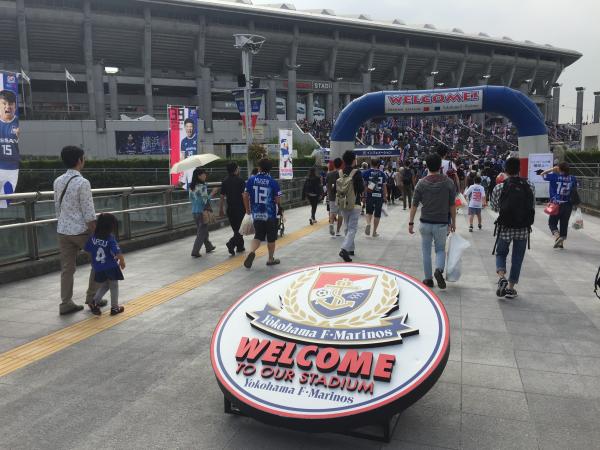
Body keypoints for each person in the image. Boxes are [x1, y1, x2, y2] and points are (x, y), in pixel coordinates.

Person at [54, 145, 106, 315]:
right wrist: (97, 233)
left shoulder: (58, 181)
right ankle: (92, 298)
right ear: (79, 160)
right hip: (81, 231)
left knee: (67, 268)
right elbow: (89, 213)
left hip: (63, 230)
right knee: (99, 260)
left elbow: (57, 208)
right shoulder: (83, 183)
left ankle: (65, 303)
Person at [408, 153, 457, 289]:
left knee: (426, 251)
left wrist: (411, 222)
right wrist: (453, 222)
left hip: (425, 222)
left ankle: (428, 279)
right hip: (441, 223)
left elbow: (414, 205)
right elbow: (452, 205)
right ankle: (439, 270)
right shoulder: (448, 182)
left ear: (426, 166)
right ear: (440, 166)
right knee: (440, 249)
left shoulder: (421, 183)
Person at [490, 157, 535, 299]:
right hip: (522, 228)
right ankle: (510, 288)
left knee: (501, 253)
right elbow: (532, 206)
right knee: (517, 258)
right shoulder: (529, 185)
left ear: (505, 170)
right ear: (519, 169)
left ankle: (501, 276)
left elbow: (495, 207)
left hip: (505, 227)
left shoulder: (500, 187)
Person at [84, 213, 125, 316]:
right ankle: (115, 308)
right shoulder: (110, 238)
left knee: (105, 285)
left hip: (98, 267)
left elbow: (87, 249)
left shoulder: (93, 237)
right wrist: (122, 261)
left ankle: (94, 302)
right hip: (110, 266)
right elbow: (117, 252)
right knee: (114, 286)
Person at [243, 158, 282, 268]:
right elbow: (277, 199)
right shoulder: (273, 182)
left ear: (259, 168)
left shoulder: (251, 180)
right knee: (271, 237)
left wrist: (248, 210)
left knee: (258, 235)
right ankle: (270, 259)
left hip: (256, 214)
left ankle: (252, 252)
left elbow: (245, 195)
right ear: (270, 169)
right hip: (270, 215)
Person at [541, 162, 578, 249]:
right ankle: (561, 242)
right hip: (568, 205)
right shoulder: (573, 178)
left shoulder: (554, 176)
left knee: (552, 222)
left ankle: (557, 236)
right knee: (564, 223)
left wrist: (552, 169)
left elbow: (542, 174)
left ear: (559, 169)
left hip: (556, 204)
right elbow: (575, 189)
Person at [337, 150, 365, 262]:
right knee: (352, 228)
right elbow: (361, 189)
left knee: (347, 226)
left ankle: (350, 250)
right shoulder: (356, 173)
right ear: (354, 160)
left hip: (343, 203)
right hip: (355, 203)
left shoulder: (340, 172)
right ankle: (344, 249)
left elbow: (336, 189)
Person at [219, 162, 246, 255]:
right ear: (236, 169)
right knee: (241, 229)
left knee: (236, 229)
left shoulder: (225, 181)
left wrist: (220, 209)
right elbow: (244, 195)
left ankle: (240, 247)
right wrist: (248, 208)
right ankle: (231, 243)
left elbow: (222, 196)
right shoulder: (240, 180)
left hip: (230, 209)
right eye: (238, 168)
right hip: (240, 208)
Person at [189, 168, 216, 258]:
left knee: (203, 230)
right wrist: (212, 193)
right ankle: (195, 251)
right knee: (201, 232)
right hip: (202, 212)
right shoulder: (202, 186)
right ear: (199, 176)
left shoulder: (191, 186)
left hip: (194, 212)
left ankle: (209, 246)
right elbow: (205, 200)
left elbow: (191, 199)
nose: (205, 175)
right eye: (204, 174)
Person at [0, 90, 20, 209]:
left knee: (6, 201)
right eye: (4, 103)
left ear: (15, 106)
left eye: (10, 104)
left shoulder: (18, 122)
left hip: (12, 168)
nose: (8, 106)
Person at [362, 159, 388, 237]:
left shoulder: (366, 173)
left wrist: (363, 195)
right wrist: (385, 197)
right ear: (378, 165)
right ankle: (374, 232)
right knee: (377, 214)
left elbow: (364, 185)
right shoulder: (383, 174)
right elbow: (384, 187)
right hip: (379, 196)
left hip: (370, 195)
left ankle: (368, 224)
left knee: (369, 212)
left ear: (371, 164)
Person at [326, 157, 344, 236]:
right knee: (340, 214)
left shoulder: (329, 174)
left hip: (332, 196)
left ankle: (331, 224)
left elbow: (327, 185)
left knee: (332, 212)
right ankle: (338, 231)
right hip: (341, 196)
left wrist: (329, 193)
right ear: (341, 165)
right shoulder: (343, 174)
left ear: (334, 164)